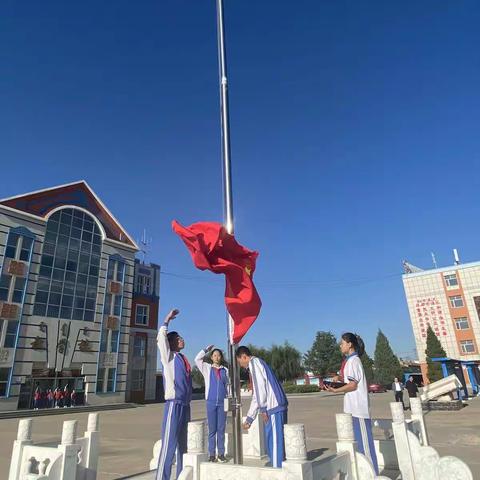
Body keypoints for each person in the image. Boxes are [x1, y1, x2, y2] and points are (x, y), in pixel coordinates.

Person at [326, 333, 379, 474]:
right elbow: (349, 381)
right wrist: (339, 378)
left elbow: (353, 385)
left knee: (365, 448)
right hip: (353, 410)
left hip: (358, 410)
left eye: (342, 343)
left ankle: (373, 475)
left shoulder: (354, 361)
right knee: (360, 447)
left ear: (350, 344)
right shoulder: (349, 362)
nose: (340, 345)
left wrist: (335, 391)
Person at [236, 346, 288, 468]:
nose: (241, 365)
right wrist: (250, 418)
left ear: (244, 356)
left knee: (275, 444)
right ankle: (280, 468)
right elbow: (257, 395)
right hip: (275, 406)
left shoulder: (254, 363)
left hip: (273, 407)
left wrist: (264, 409)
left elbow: (260, 390)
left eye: (240, 362)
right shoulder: (258, 363)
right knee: (274, 441)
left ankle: (277, 472)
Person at [156, 309, 192, 480]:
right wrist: (166, 321)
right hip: (173, 404)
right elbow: (160, 340)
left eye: (181, 337)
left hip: (185, 406)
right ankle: (161, 477)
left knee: (183, 446)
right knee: (169, 445)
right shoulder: (168, 357)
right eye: (178, 338)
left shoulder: (183, 358)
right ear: (171, 343)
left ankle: (180, 476)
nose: (181, 339)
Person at [195, 345, 229, 463]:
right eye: (214, 355)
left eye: (219, 355)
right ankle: (211, 454)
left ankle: (221, 453)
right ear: (211, 357)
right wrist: (205, 349)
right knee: (212, 429)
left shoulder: (226, 370)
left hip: (222, 403)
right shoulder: (207, 368)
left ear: (221, 357)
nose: (217, 357)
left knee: (221, 429)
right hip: (210, 402)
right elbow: (197, 359)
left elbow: (228, 387)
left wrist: (228, 400)